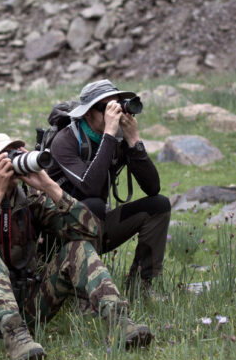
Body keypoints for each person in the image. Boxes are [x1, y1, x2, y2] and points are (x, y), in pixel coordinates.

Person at [0, 133, 152, 360]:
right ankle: (15, 340)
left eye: (14, 153)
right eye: (2, 155)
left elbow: (92, 232)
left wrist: (49, 187)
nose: (10, 161)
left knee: (78, 248)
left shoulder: (31, 199)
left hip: (27, 305)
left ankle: (119, 321)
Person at [48, 80, 170, 296]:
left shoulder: (118, 139)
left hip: (96, 224)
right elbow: (90, 188)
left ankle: (141, 287)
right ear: (87, 114)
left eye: (116, 105)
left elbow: (153, 187)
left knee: (159, 205)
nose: (113, 113)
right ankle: (87, 293)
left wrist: (133, 140)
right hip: (58, 233)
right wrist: (109, 136)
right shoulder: (65, 140)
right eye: (105, 108)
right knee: (93, 204)